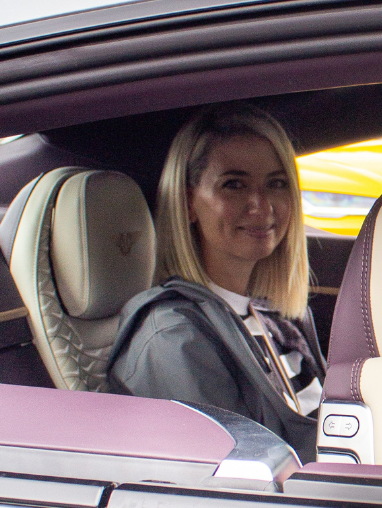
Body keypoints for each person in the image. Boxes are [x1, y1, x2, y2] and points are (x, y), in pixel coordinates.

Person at [106, 104, 322, 461]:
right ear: (189, 202)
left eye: (277, 183)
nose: (261, 205)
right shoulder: (173, 337)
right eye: (233, 185)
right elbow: (236, 475)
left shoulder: (277, 315)